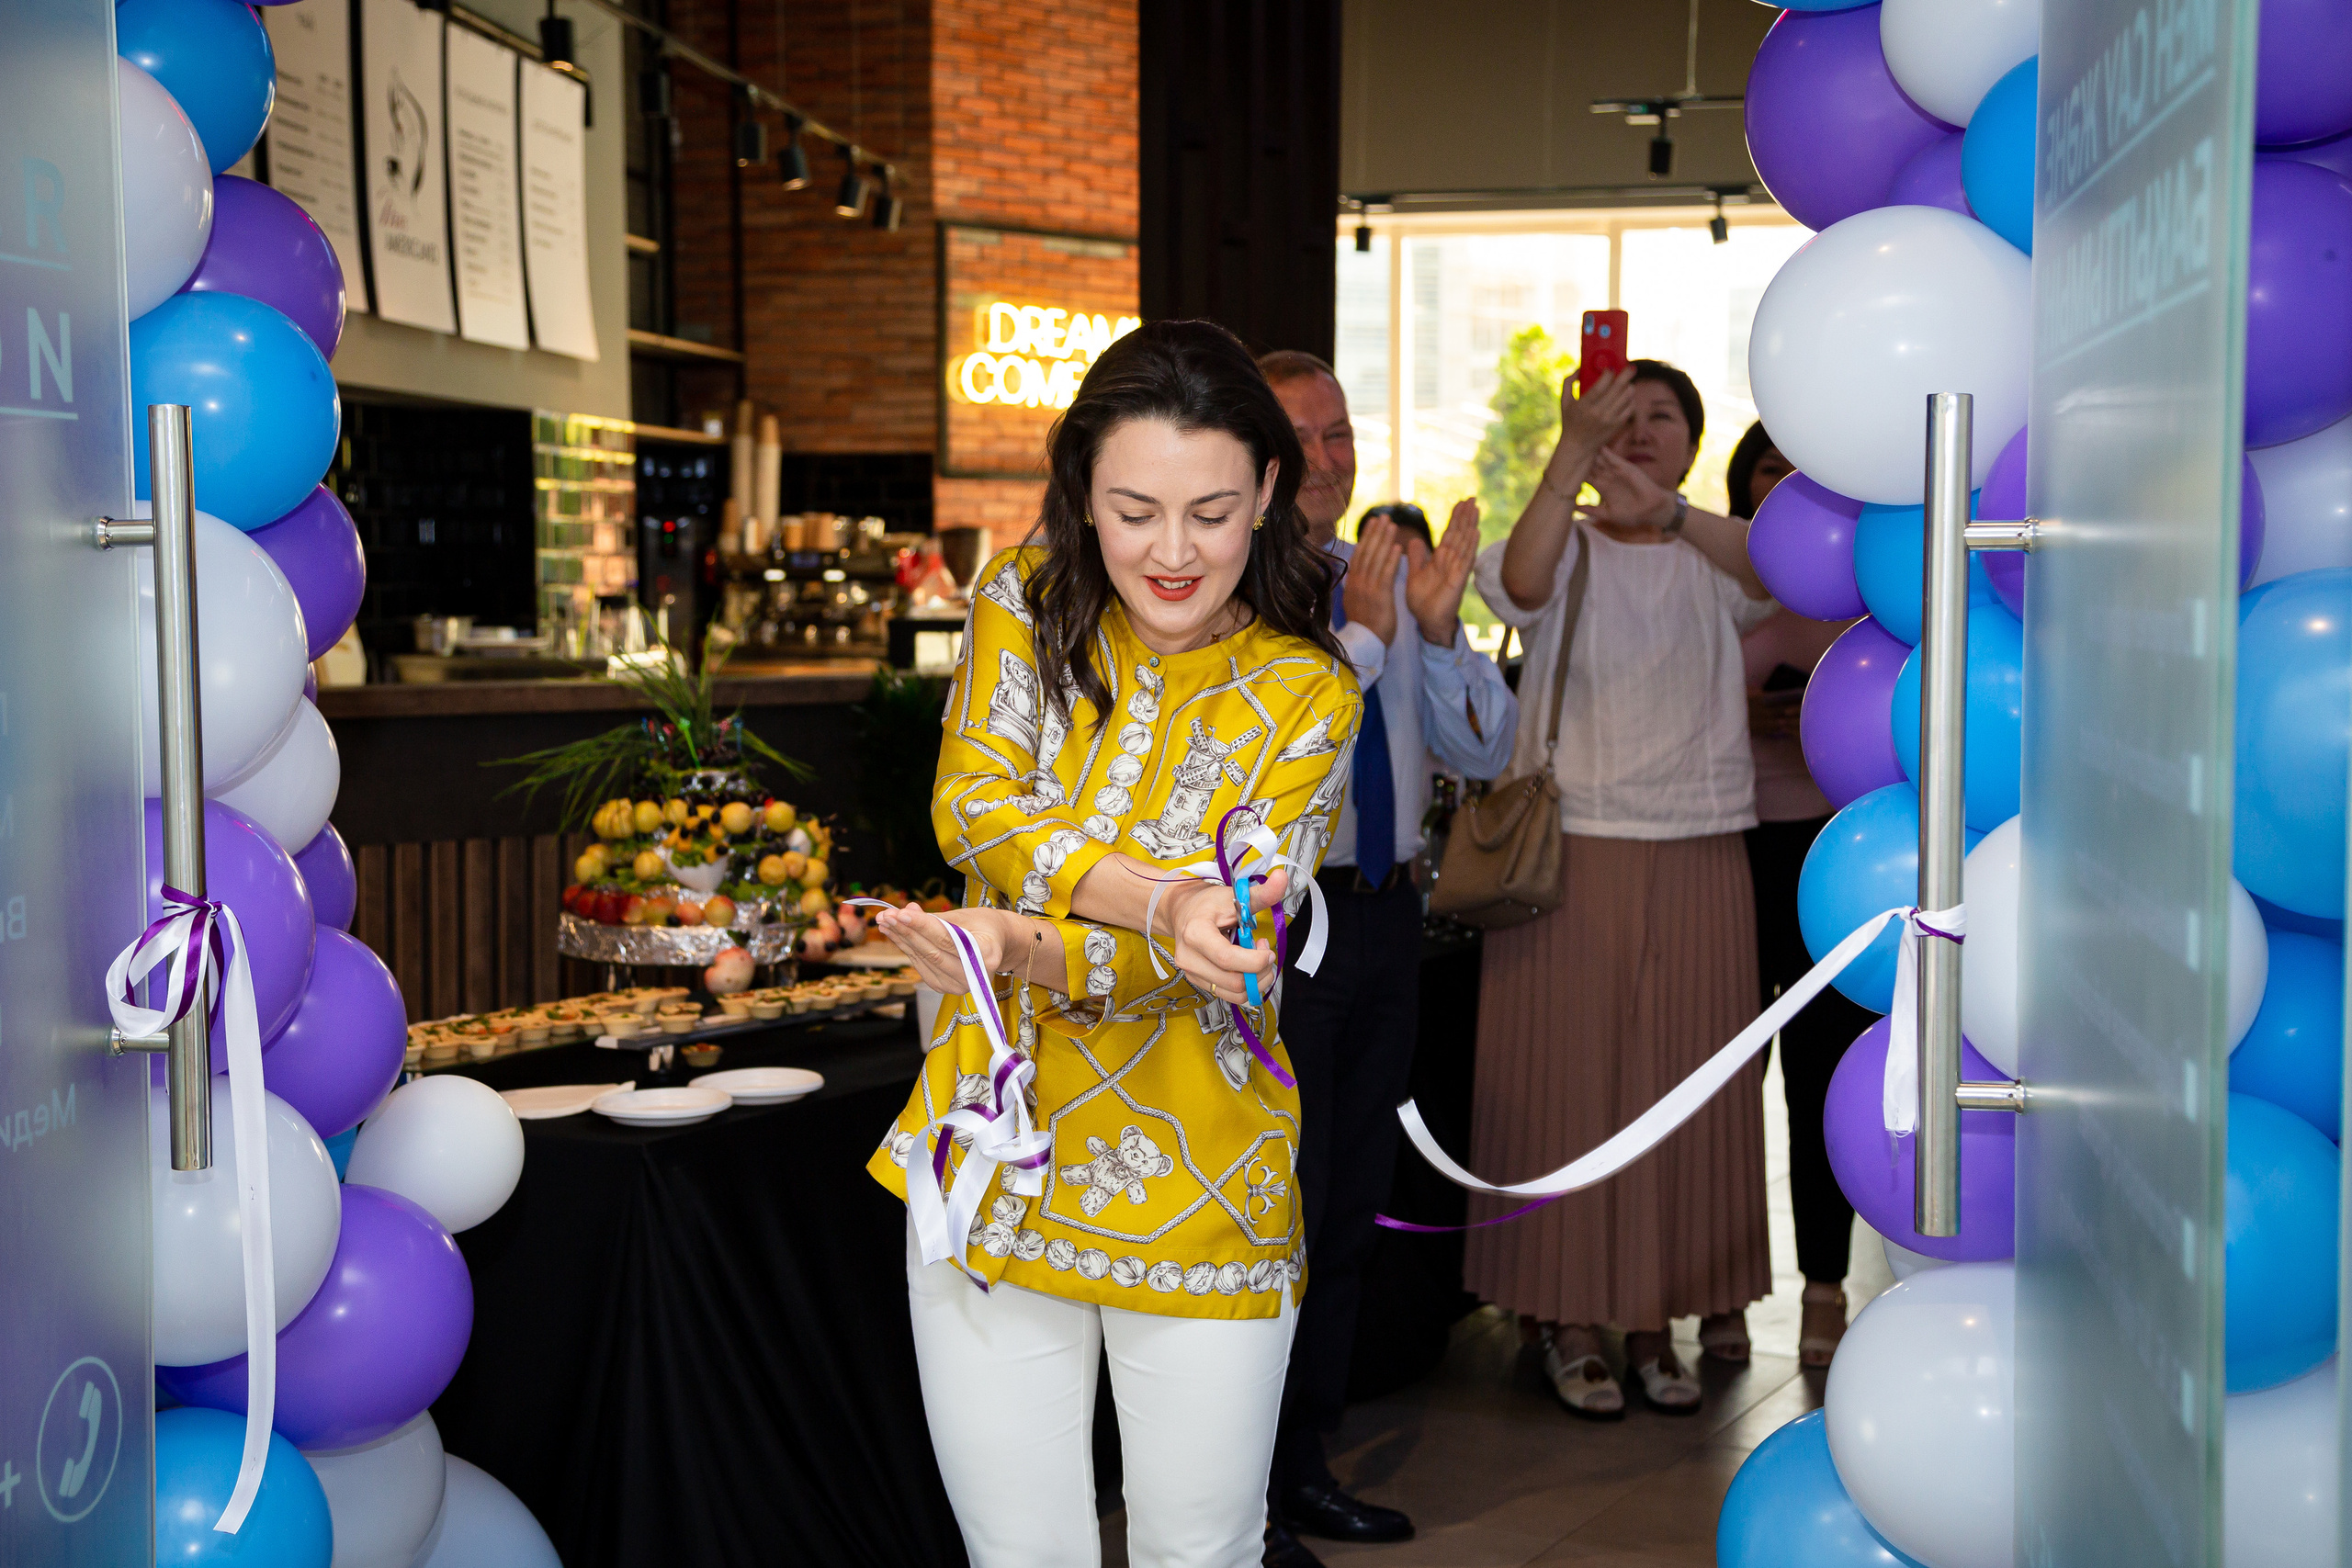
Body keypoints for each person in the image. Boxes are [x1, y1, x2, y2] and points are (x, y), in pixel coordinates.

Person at [865, 318, 1363, 1568]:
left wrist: (1027, 938)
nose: (1174, 551)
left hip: (1207, 1180)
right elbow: (972, 801)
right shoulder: (1017, 607)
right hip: (996, 1159)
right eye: (1135, 509)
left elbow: (1229, 938)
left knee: (1201, 1551)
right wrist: (1158, 901)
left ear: (1267, 492)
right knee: (1020, 1554)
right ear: (1083, 490)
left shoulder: (1311, 690)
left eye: (1212, 510)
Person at [1465, 359, 1776, 1418]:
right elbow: (1516, 585)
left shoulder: (1710, 555)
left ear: (1692, 442)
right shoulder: (1565, 542)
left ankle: (1656, 1321)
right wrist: (1566, 460)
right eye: (1619, 415)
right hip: (1572, 849)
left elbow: (1791, 576)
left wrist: (1677, 514)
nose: (1640, 432)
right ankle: (1563, 1319)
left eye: (1662, 417)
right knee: (1567, 1089)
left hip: (1702, 847)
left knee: (1685, 1093)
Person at [1256, 350, 1517, 1567]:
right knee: (1272, 1209)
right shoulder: (1235, 592)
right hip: (1282, 927)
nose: (1333, 455)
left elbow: (1482, 747)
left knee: (1347, 1205)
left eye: (1342, 432)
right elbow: (1276, 765)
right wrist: (1362, 639)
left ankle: (1303, 1463)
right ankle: (1234, 1490)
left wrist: (1437, 627)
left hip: (1386, 912)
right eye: (1305, 437)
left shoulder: (1378, 576)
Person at [1727, 419, 1870, 1368]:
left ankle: (1825, 1285)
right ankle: (1718, 1298)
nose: (1780, 489)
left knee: (1821, 1081)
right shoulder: (1715, 598)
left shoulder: (1869, 609)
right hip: (1731, 857)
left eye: (1799, 476)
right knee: (1726, 1091)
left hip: (1833, 862)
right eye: (1763, 474)